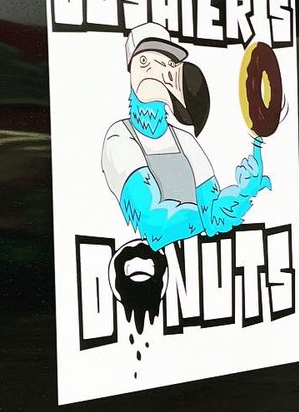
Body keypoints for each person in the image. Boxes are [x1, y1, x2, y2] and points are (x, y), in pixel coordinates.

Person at [101, 22, 270, 250]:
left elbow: (213, 213)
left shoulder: (185, 141)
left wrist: (244, 190)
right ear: (131, 70)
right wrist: (208, 217)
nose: (158, 71)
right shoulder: (119, 138)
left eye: (169, 63)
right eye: (144, 61)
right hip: (151, 269)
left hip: (198, 267)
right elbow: (155, 224)